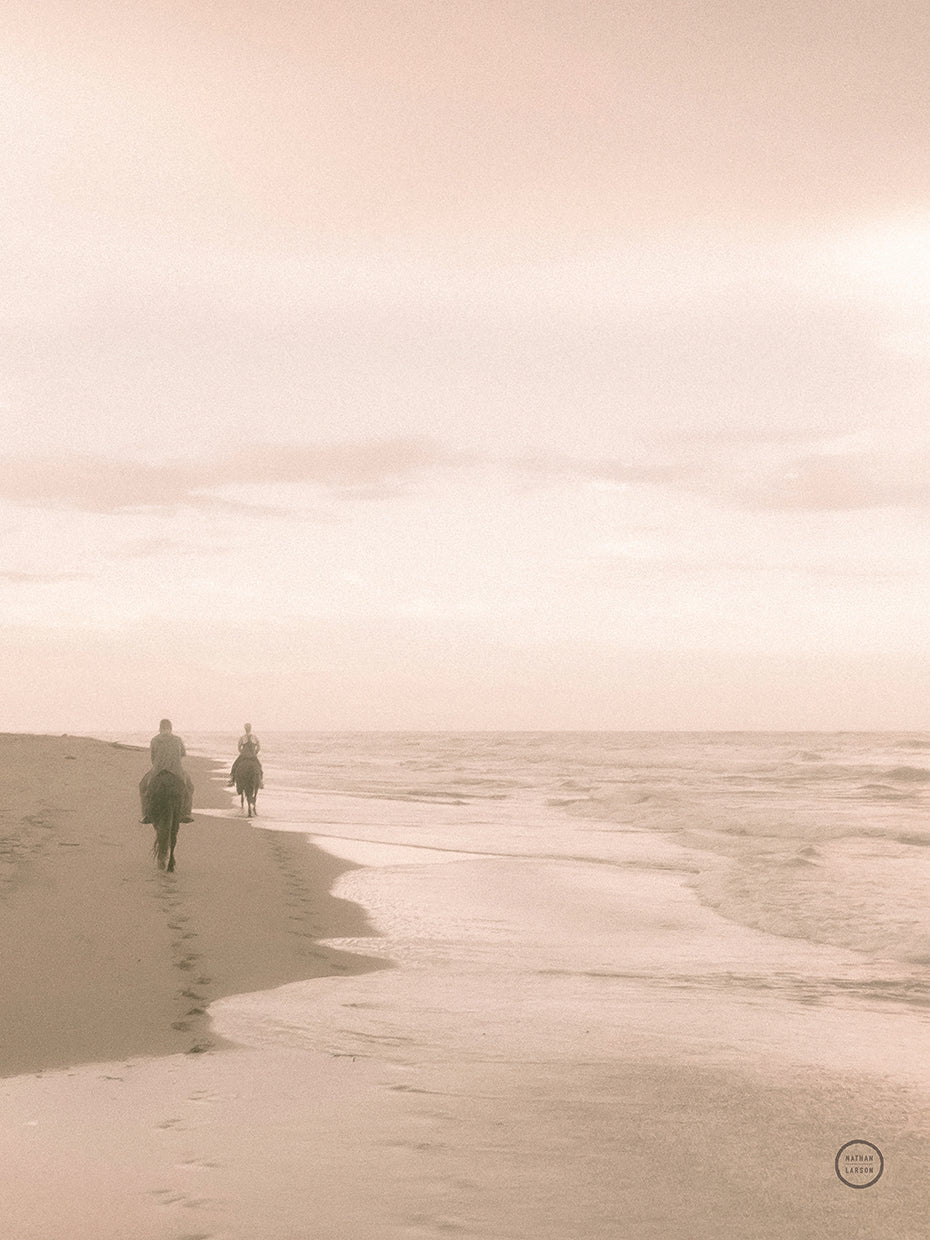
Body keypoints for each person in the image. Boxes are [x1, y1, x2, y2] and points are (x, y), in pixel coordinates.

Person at [139, 719, 195, 823]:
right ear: (171, 728)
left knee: (143, 787)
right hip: (176, 771)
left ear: (160, 729)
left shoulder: (154, 740)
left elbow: (153, 757)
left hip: (157, 771)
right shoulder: (178, 739)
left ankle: (146, 814)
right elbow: (182, 754)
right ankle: (187, 813)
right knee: (189, 788)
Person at [228, 722, 264, 787]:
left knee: (235, 765)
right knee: (259, 767)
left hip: (243, 756)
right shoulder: (255, 737)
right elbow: (258, 747)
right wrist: (255, 753)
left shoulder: (242, 737)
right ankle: (260, 781)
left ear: (245, 729)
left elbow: (239, 748)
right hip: (252, 756)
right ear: (250, 728)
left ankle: (232, 780)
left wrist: (242, 752)